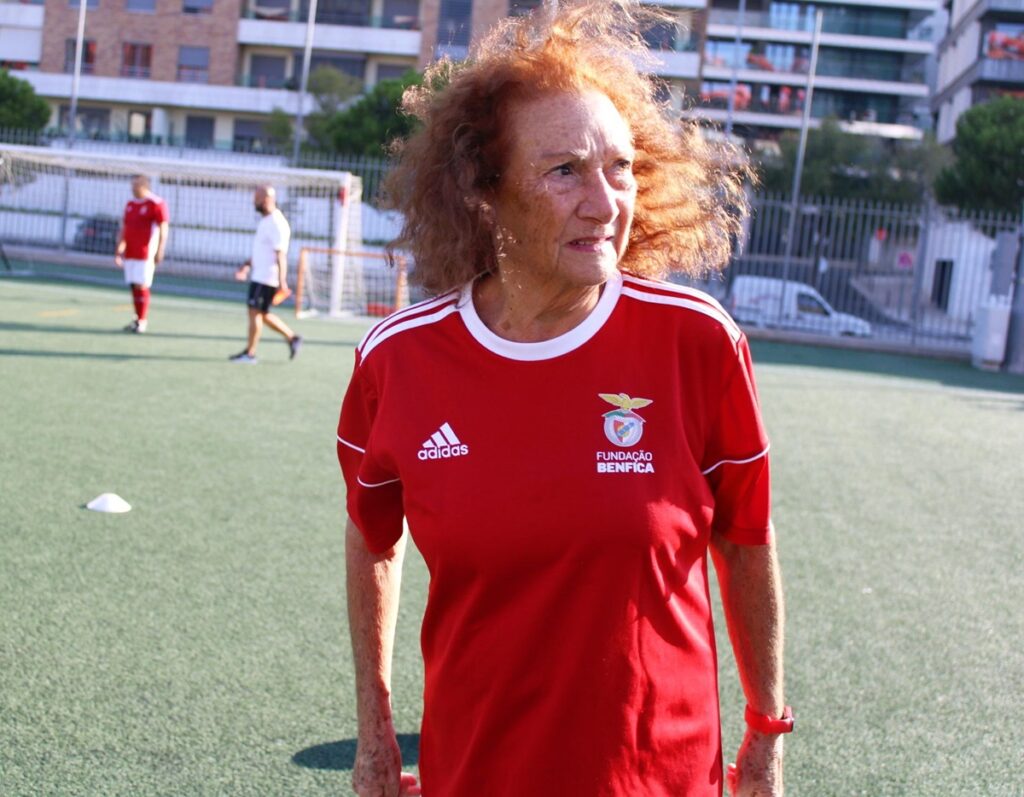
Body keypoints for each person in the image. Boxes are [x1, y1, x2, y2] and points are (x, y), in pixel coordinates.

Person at [337, 2, 791, 795]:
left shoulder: (698, 341)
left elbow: (746, 542)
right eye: (565, 171)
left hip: (663, 778)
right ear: (485, 191)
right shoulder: (399, 359)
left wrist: (766, 729)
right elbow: (373, 536)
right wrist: (376, 730)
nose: (606, 200)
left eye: (620, 167)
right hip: (474, 772)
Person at [230, 185, 302, 364]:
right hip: (259, 276)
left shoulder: (277, 223)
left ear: (267, 199)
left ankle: (250, 353)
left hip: (267, 278)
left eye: (257, 199)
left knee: (255, 313)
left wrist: (282, 281)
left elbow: (280, 255)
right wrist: (246, 266)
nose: (254, 202)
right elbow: (261, 252)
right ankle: (292, 337)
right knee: (262, 314)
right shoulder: (266, 220)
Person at [114, 174, 169, 333]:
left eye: (135, 185)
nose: (132, 188)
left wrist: (160, 249)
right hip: (130, 251)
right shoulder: (130, 204)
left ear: (144, 186)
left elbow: (163, 228)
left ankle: (142, 321)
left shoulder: (156, 203)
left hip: (146, 252)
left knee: (141, 284)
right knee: (133, 285)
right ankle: (137, 318)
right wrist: (120, 248)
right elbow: (125, 228)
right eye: (132, 185)